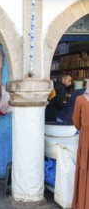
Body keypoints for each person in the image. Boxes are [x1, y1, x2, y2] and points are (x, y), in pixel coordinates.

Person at [72, 80, 89, 209]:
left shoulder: (80, 100)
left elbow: (76, 122)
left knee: (84, 167)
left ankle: (83, 203)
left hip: (86, 139)